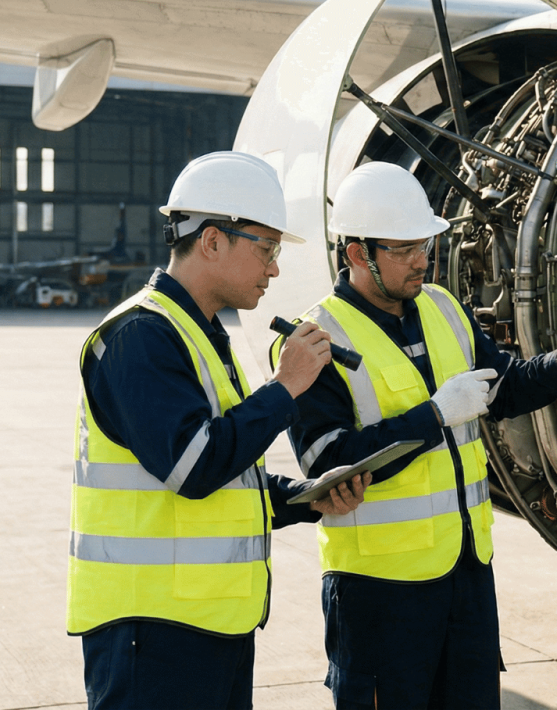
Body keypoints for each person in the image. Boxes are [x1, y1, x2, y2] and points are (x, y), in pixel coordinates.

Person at [275, 162, 557, 710]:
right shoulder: (316, 338)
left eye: (425, 245)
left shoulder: (443, 308)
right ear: (358, 254)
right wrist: (433, 416)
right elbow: (327, 462)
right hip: (380, 588)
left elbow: (500, 389)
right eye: (404, 249)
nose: (421, 261)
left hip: (464, 572)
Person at [68, 150, 371, 710]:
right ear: (212, 241)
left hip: (205, 625)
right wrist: (285, 389)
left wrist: (308, 499)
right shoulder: (141, 336)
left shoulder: (198, 333)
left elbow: (227, 471)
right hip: (152, 633)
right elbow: (193, 466)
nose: (275, 268)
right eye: (267, 249)